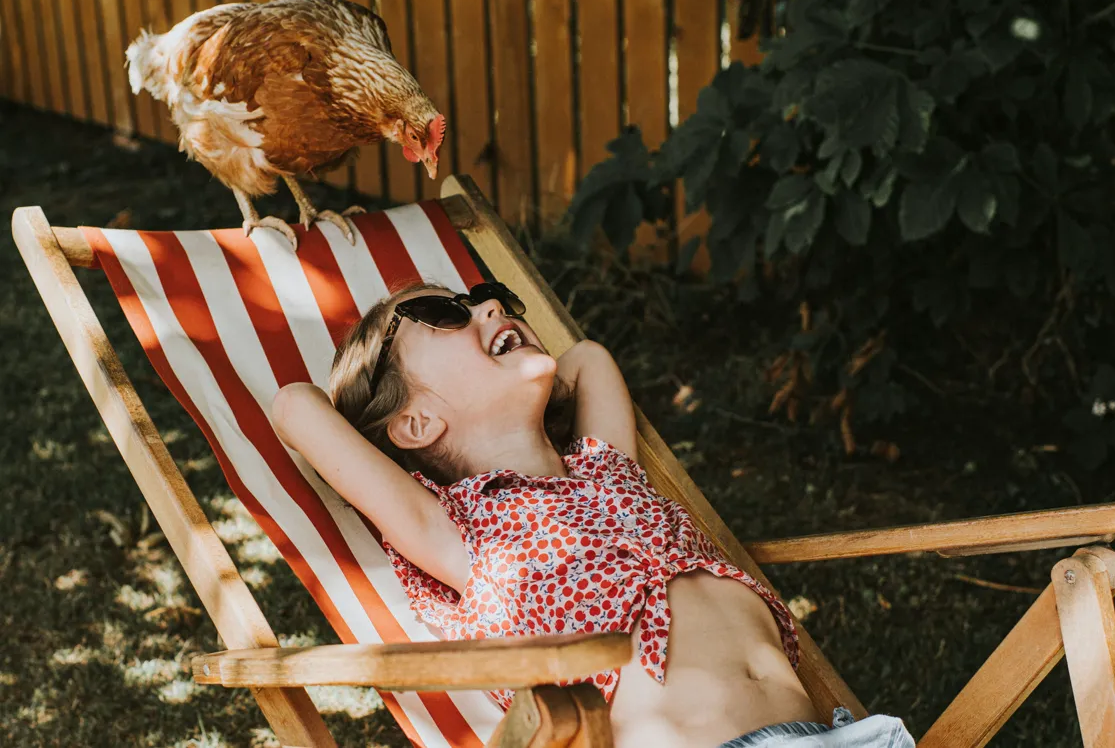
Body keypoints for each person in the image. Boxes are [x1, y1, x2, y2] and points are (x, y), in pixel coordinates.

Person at [272, 281, 914, 748]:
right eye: (443, 314)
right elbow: (295, 406)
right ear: (416, 423)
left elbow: (587, 358)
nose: (490, 307)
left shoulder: (606, 467)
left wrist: (521, 371)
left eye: (485, 298)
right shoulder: (460, 533)